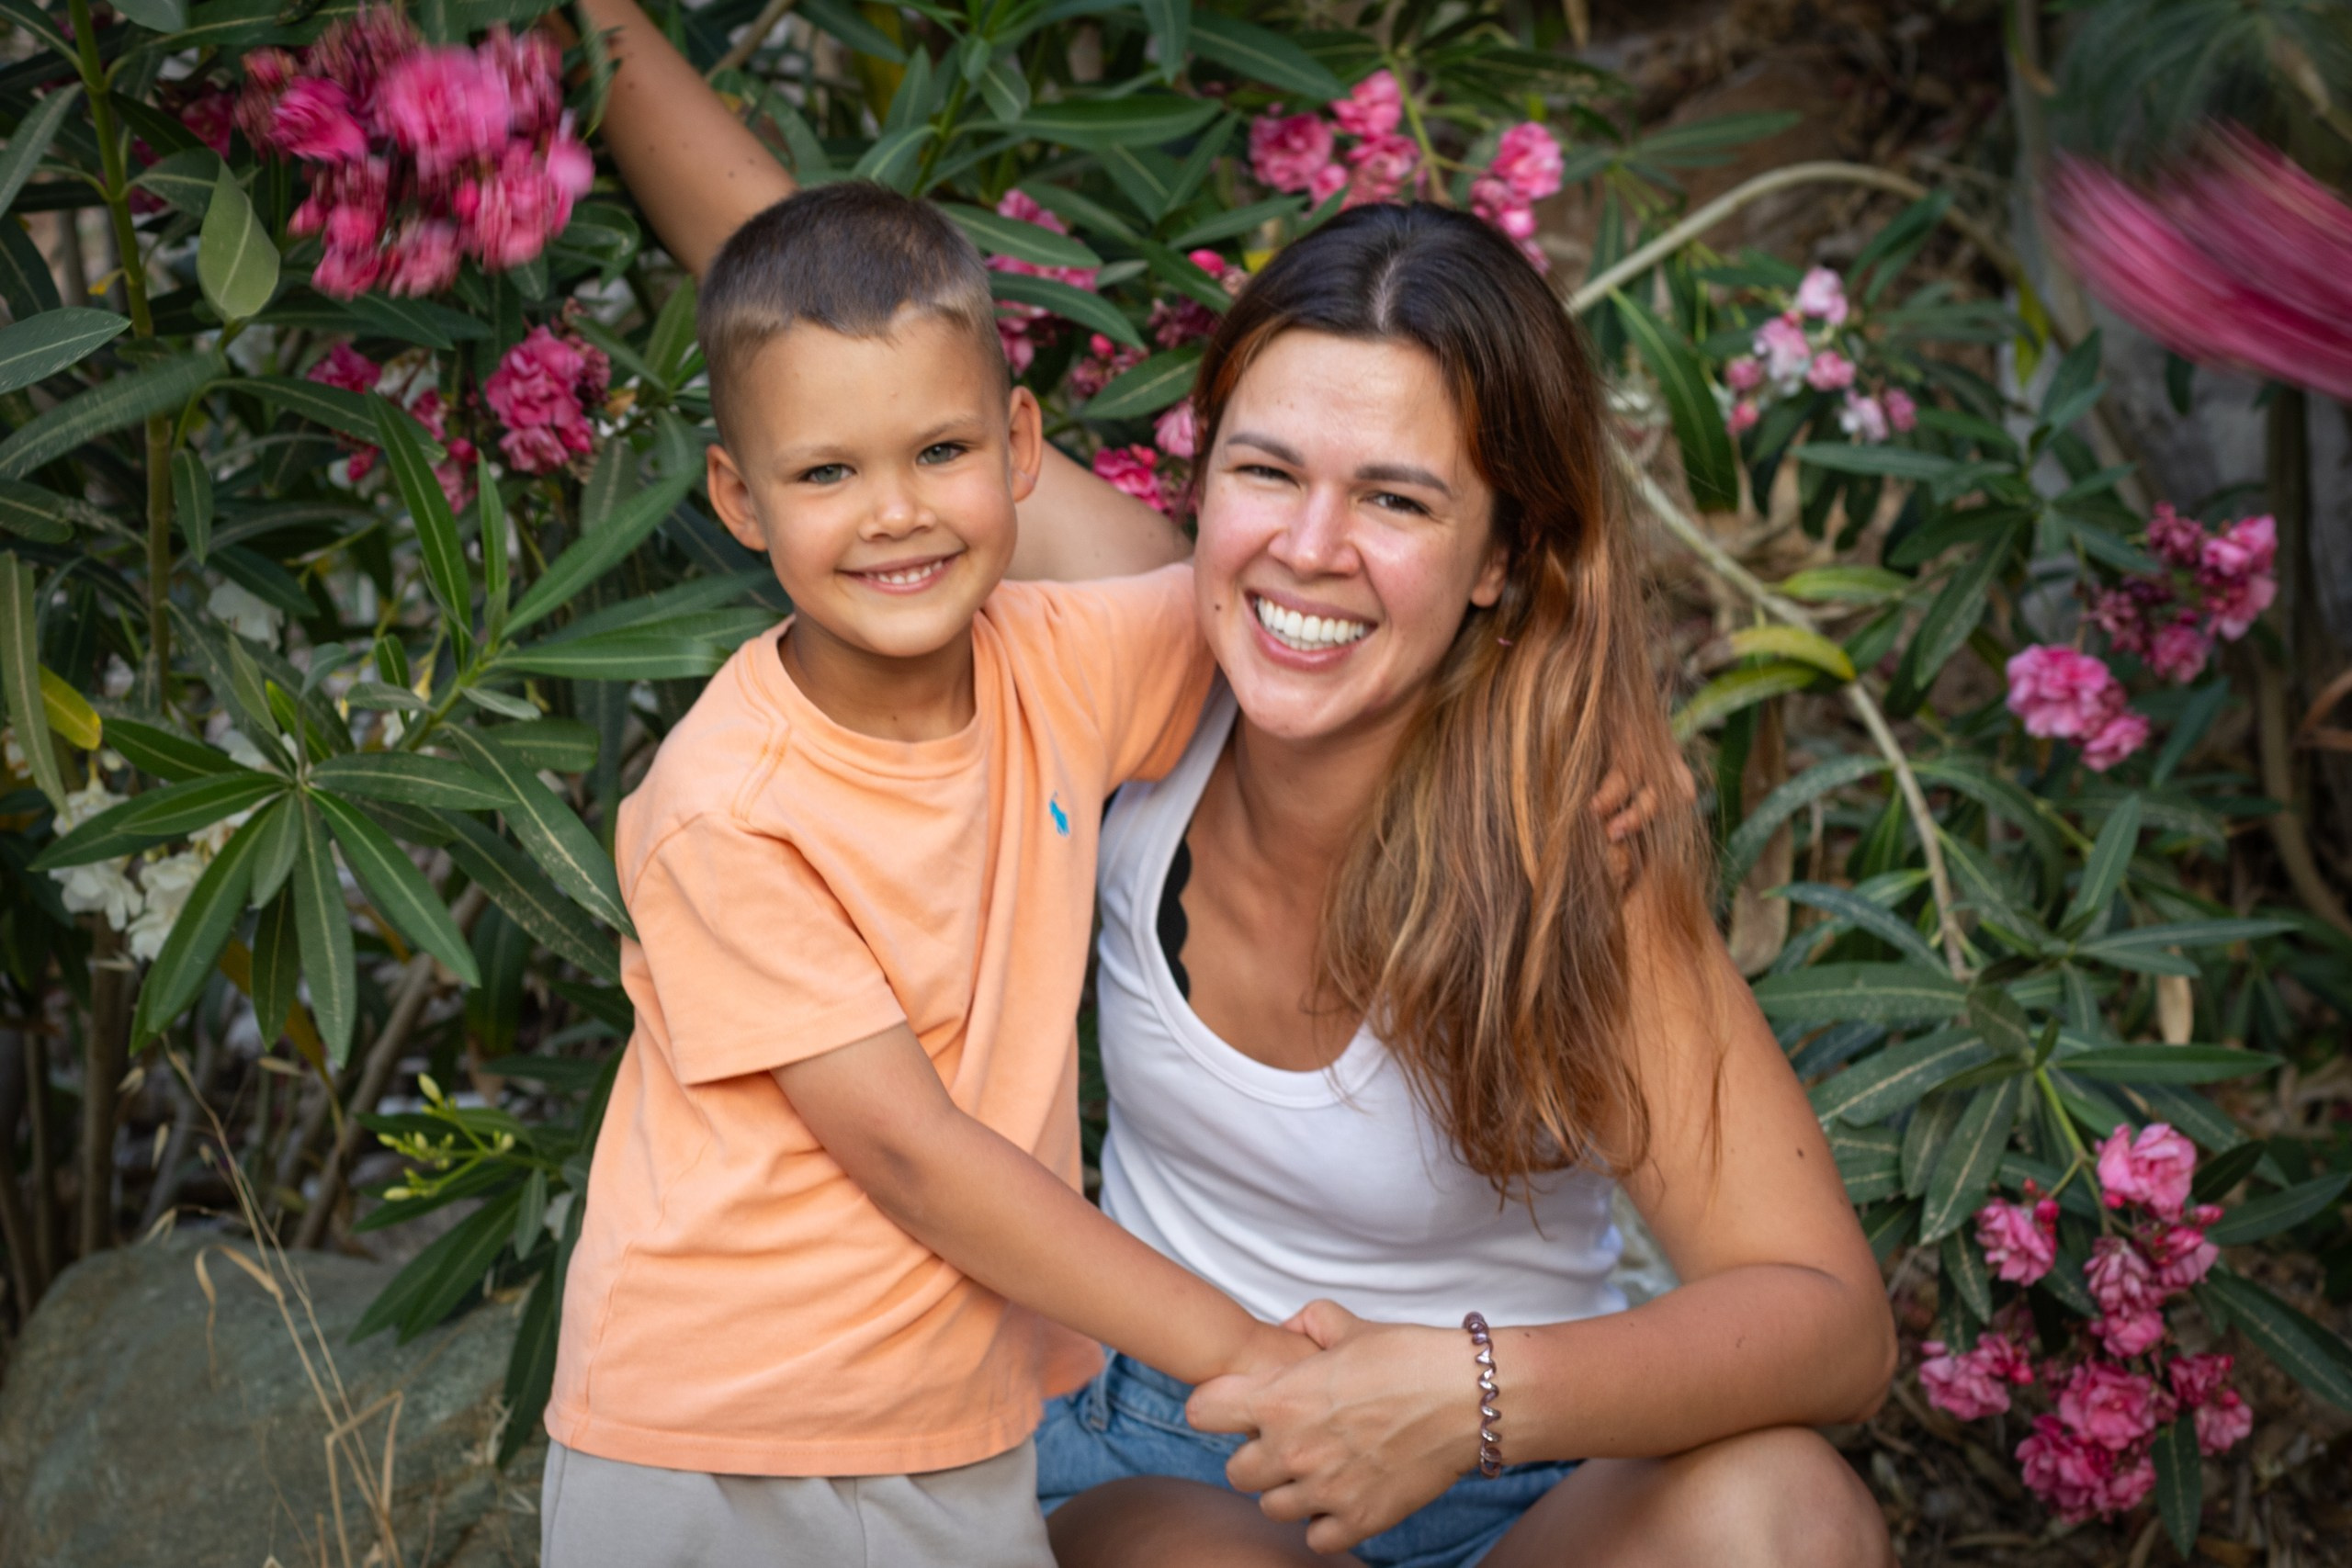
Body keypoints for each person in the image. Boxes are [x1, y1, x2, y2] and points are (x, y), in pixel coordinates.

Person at [573, 4, 1901, 1563]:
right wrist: (583, 26)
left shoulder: (1566, 848)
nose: (1308, 550)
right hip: (1187, 1449)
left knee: (1786, 1519)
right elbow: (827, 327)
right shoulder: (1128, 647)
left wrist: (1468, 1397)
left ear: (1504, 556)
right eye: (1267, 471)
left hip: (1528, 1467)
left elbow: (1832, 1329)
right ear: (1199, 479)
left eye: (1398, 498)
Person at [542, 182, 1314, 1568]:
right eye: (827, 473)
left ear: (1021, 445)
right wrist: (1247, 1350)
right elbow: (914, 1153)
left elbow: (1286, 611)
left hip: (954, 1420)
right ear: (740, 497)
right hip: (717, 1438)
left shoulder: (1061, 666)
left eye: (940, 449)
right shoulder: (730, 807)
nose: (895, 514)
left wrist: (1575, 706)